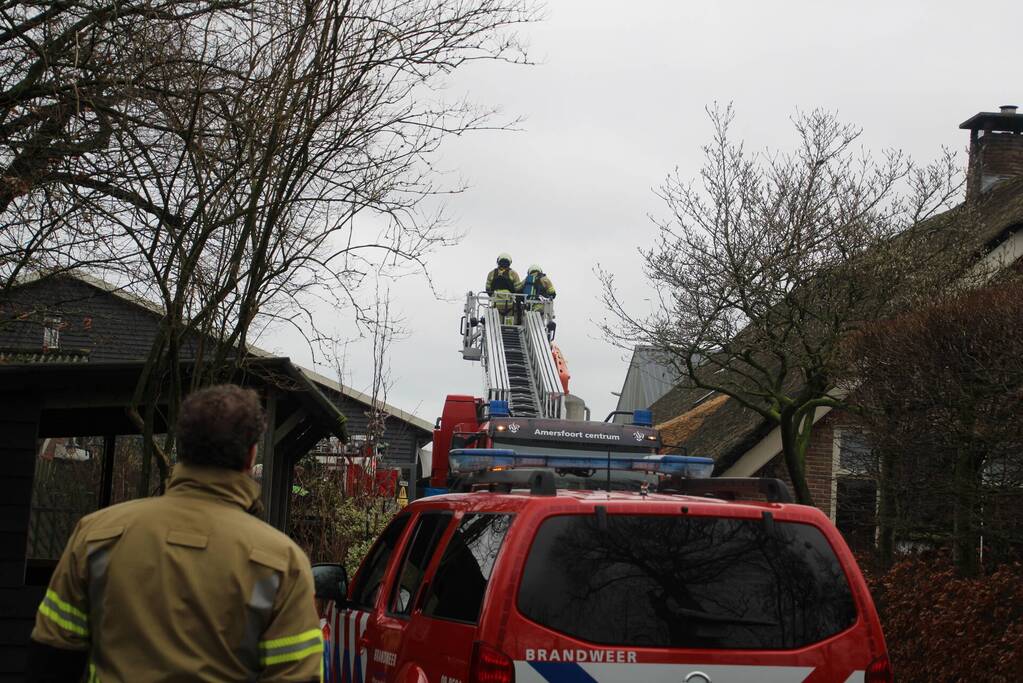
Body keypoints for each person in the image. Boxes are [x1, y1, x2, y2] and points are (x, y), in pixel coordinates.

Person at [28, 385, 322, 683]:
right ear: (251, 456)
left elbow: (51, 657)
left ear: (181, 447)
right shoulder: (282, 563)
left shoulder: (96, 535)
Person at [485, 253, 520, 324]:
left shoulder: (491, 273)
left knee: (496, 324)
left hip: (495, 305)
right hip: (509, 306)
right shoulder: (513, 273)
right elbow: (518, 289)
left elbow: (488, 289)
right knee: (509, 326)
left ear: (498, 262)